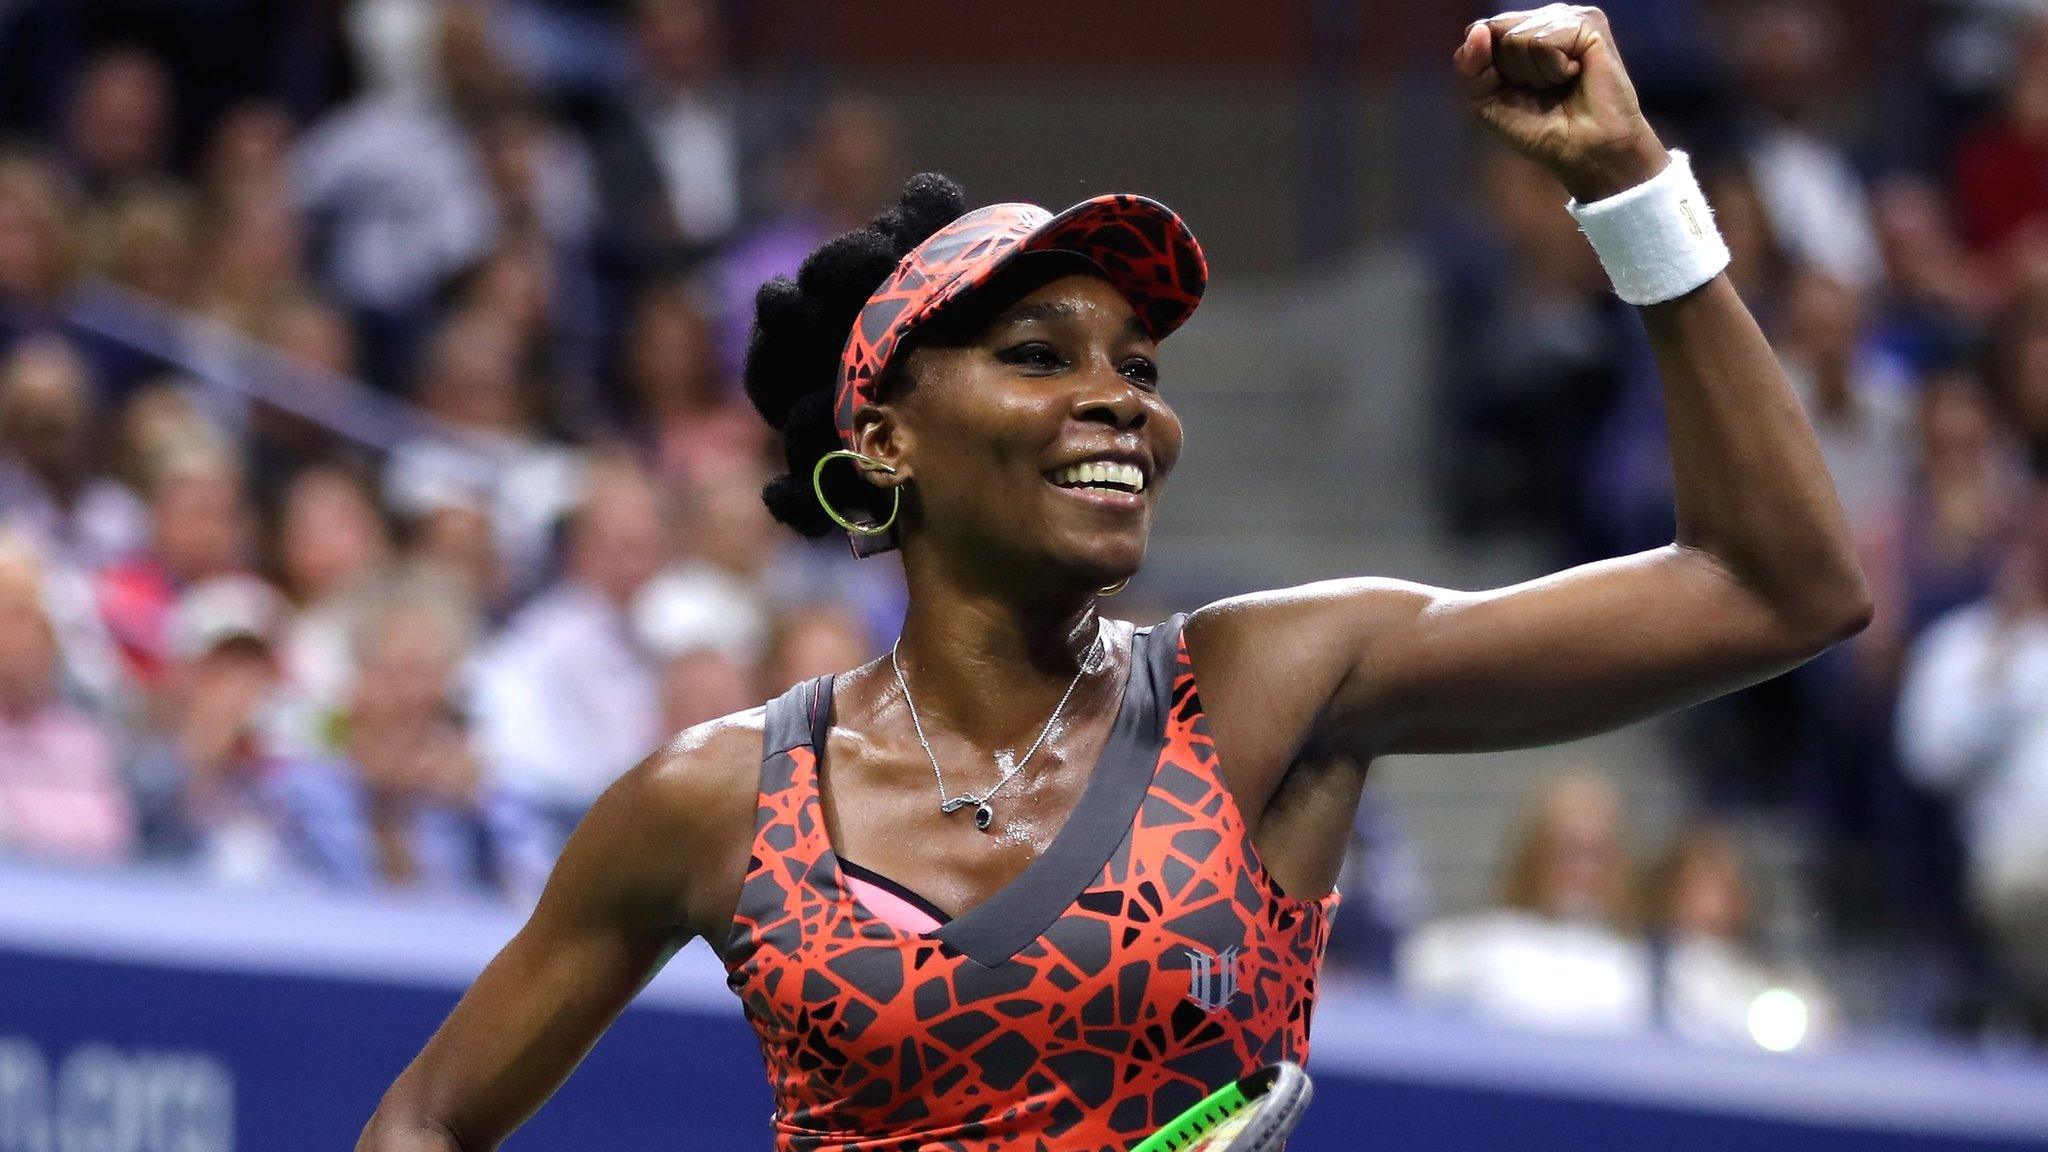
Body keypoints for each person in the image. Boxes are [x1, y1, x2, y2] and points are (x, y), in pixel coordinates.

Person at [360, 10, 1871, 1150]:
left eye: (1137, 368)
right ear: (881, 435)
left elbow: (1778, 588)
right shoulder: (713, 799)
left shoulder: (1270, 684)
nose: (1123, 403)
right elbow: (423, 1121)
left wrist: (1627, 182)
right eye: (1037, 357)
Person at [1401, 773, 1650, 1035]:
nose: (1581, 872)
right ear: (1533, 853)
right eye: (1567, 852)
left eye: (1596, 855)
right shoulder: (1473, 946)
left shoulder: (1641, 967)